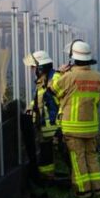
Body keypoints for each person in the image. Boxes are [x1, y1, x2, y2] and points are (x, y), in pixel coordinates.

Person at [50, 40, 100, 198]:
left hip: (73, 128)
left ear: (73, 59)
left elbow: (53, 90)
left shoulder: (68, 77)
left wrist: (59, 73)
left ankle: (83, 191)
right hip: (91, 126)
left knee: (78, 159)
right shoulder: (98, 77)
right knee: (92, 157)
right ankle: (97, 188)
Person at [23, 50, 60, 182]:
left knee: (58, 151)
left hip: (55, 124)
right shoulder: (43, 81)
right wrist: (29, 108)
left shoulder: (54, 79)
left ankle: (49, 177)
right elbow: (39, 99)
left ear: (40, 68)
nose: (33, 70)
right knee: (46, 151)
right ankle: (48, 177)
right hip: (47, 125)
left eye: (34, 67)